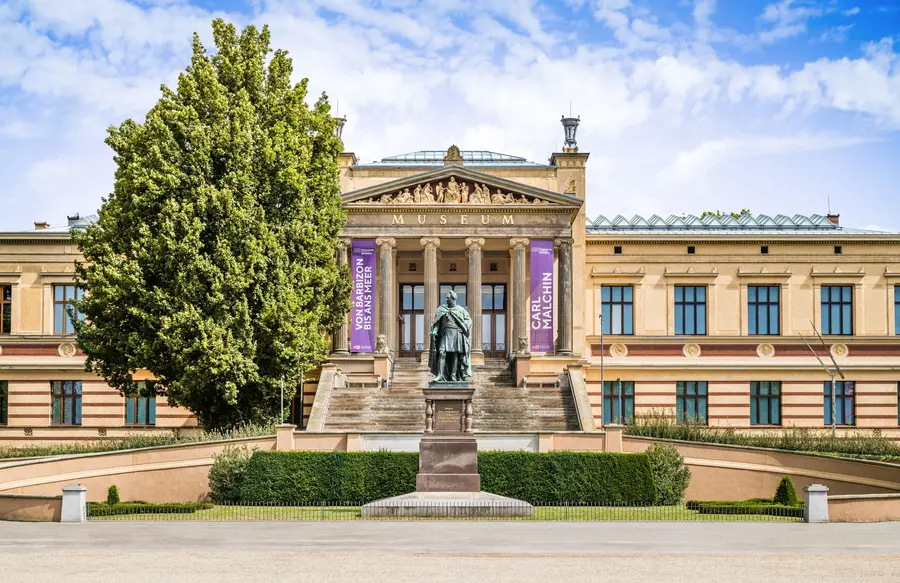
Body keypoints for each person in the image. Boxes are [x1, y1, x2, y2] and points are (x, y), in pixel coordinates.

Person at [428, 290, 472, 382]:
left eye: (448, 297)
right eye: (446, 297)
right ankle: (440, 375)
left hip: (456, 334)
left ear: (453, 298)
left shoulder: (461, 310)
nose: (446, 299)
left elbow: (469, 322)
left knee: (455, 355)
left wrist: (464, 330)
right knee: (441, 352)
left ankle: (453, 375)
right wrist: (434, 331)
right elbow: (437, 324)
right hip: (445, 334)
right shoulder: (441, 309)